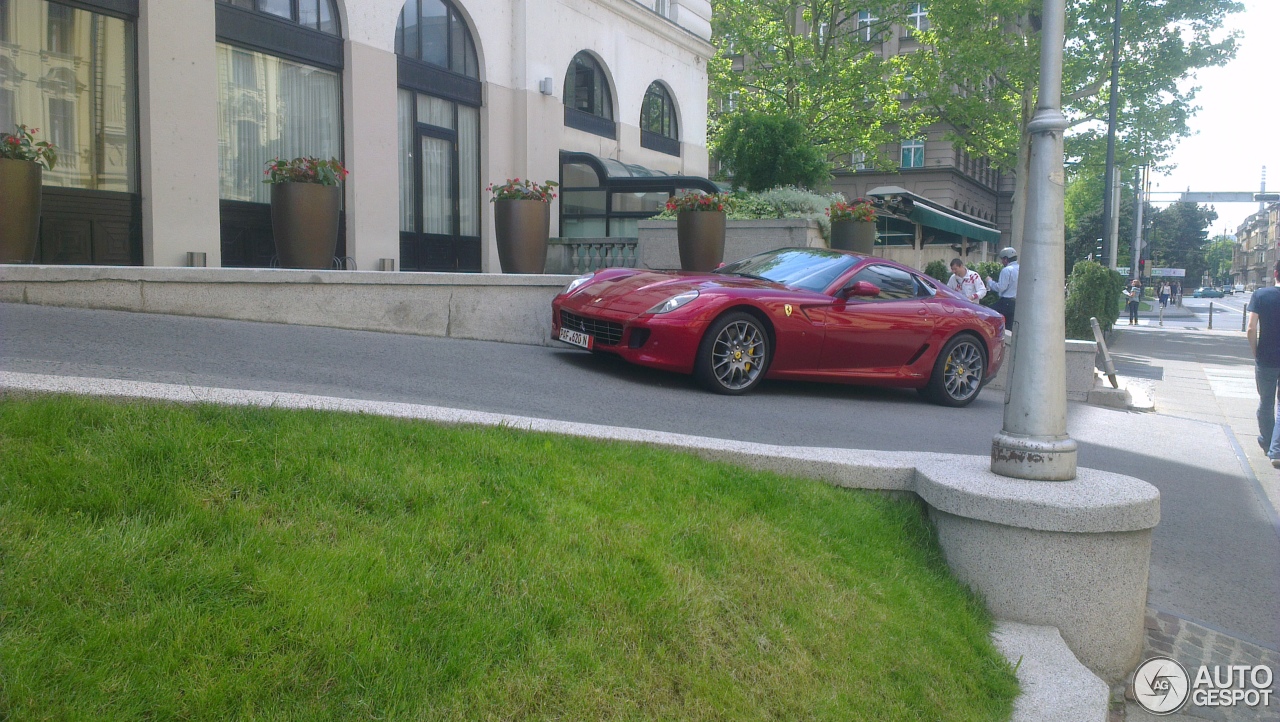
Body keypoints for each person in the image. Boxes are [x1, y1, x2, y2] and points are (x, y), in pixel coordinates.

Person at [1248, 261, 1280, 467]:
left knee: (1266, 403)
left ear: (1275, 272)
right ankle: (1275, 449)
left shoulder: (1261, 295)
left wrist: (1255, 353)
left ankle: (1269, 443)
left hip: (1266, 358)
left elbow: (1251, 328)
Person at [985, 247, 1019, 324]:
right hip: (1017, 302)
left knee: (988, 315)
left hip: (1006, 302)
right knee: (1009, 326)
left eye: (1002, 259)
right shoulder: (1020, 269)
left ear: (1006, 259)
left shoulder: (1007, 270)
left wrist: (989, 281)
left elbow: (1000, 287)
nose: (1002, 262)